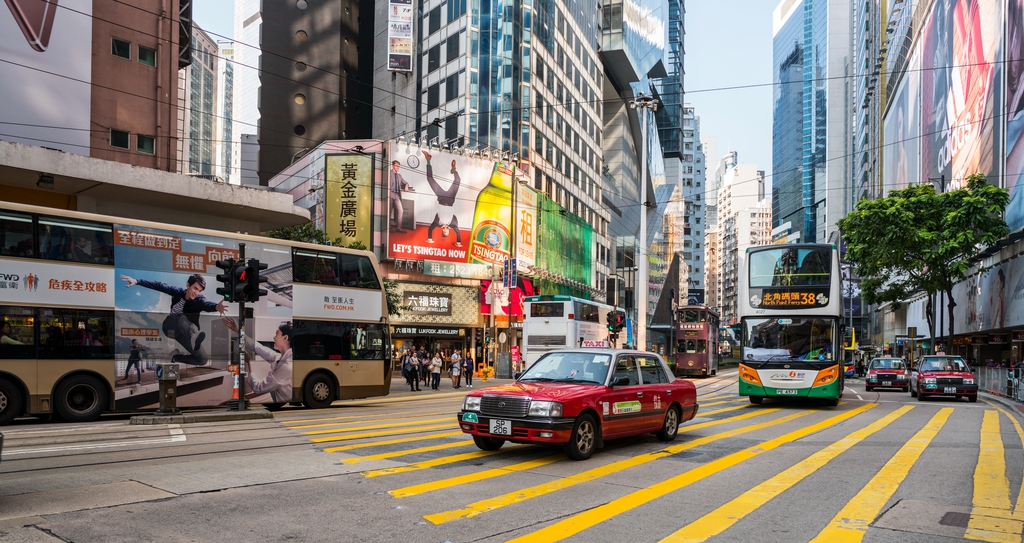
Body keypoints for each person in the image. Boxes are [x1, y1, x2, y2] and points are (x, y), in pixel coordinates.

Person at [121, 273, 227, 366]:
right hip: (170, 327)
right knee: (182, 318)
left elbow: (205, 305)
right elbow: (160, 286)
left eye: (199, 291)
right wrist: (137, 281)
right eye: (195, 288)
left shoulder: (199, 299)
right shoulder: (178, 292)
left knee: (202, 359)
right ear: (188, 285)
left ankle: (174, 357)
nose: (197, 293)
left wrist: (216, 307)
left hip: (184, 334)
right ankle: (193, 335)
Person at [223, 318, 293, 403]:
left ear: (285, 338)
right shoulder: (279, 358)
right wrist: (237, 330)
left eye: (277, 333)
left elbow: (258, 388)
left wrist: (248, 362)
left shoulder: (287, 367)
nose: (274, 337)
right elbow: (258, 347)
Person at [422, 151, 463, 247]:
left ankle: (428, 160)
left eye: (443, 231)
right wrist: (458, 243)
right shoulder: (453, 224)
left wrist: (430, 239)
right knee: (458, 180)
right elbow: (458, 233)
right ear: (449, 230)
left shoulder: (437, 223)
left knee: (429, 179)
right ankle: (454, 170)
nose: (445, 230)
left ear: (442, 230)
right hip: (450, 200)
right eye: (446, 231)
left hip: (440, 198)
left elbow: (430, 229)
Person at [388, 160, 412, 233]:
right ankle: (388, 227)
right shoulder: (389, 173)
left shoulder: (399, 176)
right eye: (396, 166)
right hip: (390, 193)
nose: (398, 167)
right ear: (393, 166)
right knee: (389, 211)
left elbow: (405, 182)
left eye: (399, 166)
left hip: (396, 195)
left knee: (400, 210)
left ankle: (399, 227)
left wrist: (406, 185)